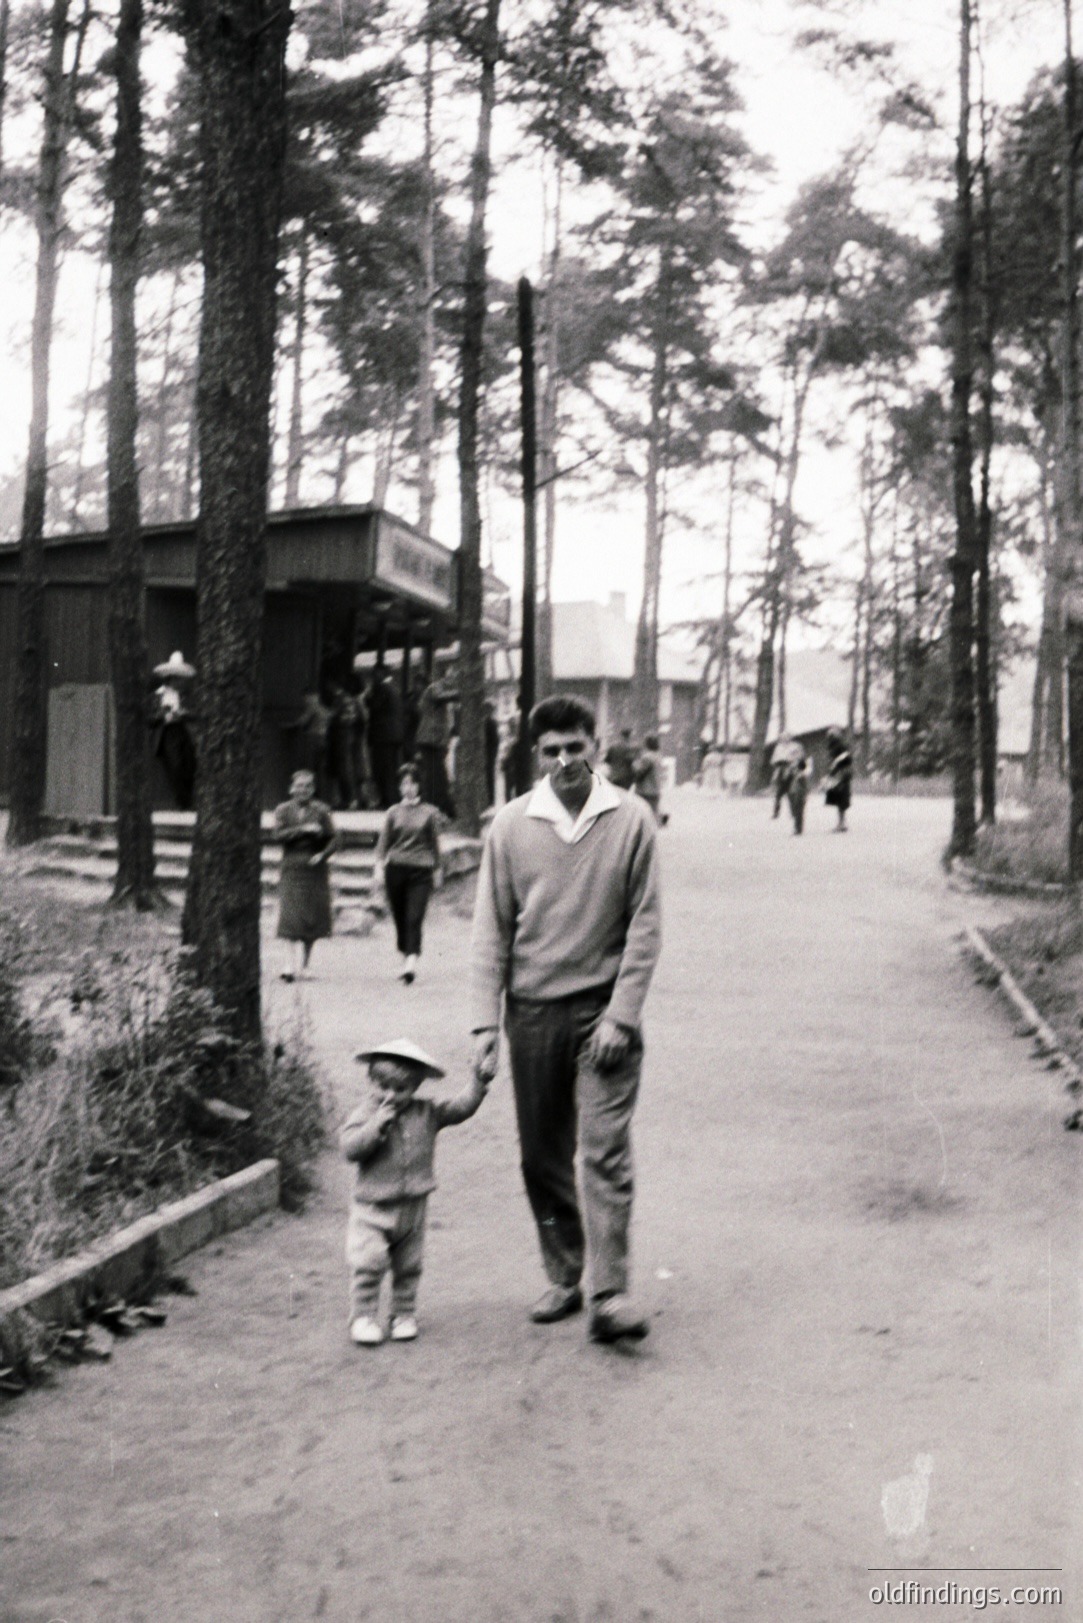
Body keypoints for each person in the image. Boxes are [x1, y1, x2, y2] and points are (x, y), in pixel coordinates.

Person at [470, 693, 662, 1344]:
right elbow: (490, 932)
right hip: (531, 1012)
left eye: (575, 746)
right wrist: (482, 1028)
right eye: (551, 750)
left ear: (596, 746)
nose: (564, 760)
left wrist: (622, 1015)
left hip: (603, 1014)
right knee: (540, 1154)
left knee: (604, 1151)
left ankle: (610, 1293)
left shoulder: (632, 819)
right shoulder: (510, 825)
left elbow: (644, 926)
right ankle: (563, 1272)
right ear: (536, 755)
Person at [342, 1037, 488, 1346]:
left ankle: (403, 1313)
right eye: (382, 1086)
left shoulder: (427, 1112)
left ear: (416, 1087)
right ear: (371, 1080)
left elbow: (460, 1108)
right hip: (373, 1206)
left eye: (401, 1089)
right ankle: (364, 1316)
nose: (390, 1095)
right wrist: (374, 1128)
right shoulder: (366, 1112)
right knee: (369, 1261)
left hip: (413, 1207)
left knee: (409, 1264)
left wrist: (477, 1082)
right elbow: (350, 1148)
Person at [374, 763, 442, 984]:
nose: (408, 788)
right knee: (400, 916)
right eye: (404, 783)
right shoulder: (393, 812)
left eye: (412, 783)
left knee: (415, 916)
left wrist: (437, 869)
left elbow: (435, 844)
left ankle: (411, 963)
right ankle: (406, 953)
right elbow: (384, 843)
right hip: (395, 869)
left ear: (419, 786)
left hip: (421, 871)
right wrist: (378, 867)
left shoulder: (429, 813)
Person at [274, 769, 338, 981]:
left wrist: (323, 854)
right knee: (290, 914)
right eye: (299, 786)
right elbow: (278, 835)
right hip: (292, 865)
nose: (303, 790)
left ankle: (306, 964)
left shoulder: (322, 810)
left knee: (311, 916)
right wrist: (303, 830)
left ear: (313, 789)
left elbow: (335, 839)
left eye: (308, 786)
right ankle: (288, 965)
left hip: (314, 867)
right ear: (291, 788)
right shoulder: (283, 810)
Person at [150, 651, 197, 810]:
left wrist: (183, 713)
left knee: (190, 764)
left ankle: (188, 801)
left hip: (182, 731)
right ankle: (183, 804)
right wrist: (164, 715)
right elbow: (150, 719)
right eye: (176, 677)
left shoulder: (185, 695)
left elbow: (195, 712)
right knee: (175, 767)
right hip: (167, 734)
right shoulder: (159, 695)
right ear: (170, 677)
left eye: (180, 677)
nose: (179, 681)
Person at [367, 671, 405, 810]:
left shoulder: (382, 688)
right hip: (394, 735)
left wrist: (367, 697)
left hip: (383, 735)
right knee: (391, 767)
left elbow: (375, 705)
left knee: (383, 768)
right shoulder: (394, 689)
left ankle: (387, 799)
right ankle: (392, 798)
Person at [824, 727, 854, 832]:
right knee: (839, 799)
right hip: (839, 774)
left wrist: (835, 767)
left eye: (832, 735)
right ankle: (841, 823)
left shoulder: (840, 747)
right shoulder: (834, 747)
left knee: (841, 799)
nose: (830, 737)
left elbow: (846, 759)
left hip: (841, 775)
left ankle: (841, 824)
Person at [632, 733, 664, 824]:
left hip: (645, 791)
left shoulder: (647, 757)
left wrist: (634, 764)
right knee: (652, 815)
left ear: (647, 744)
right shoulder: (658, 756)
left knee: (642, 817)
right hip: (655, 790)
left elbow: (639, 772)